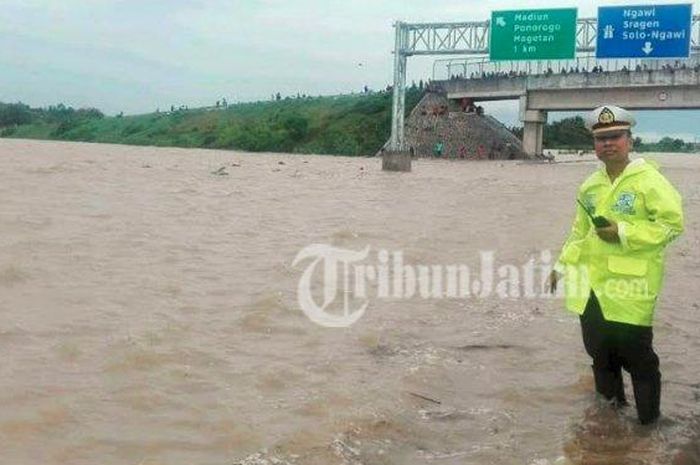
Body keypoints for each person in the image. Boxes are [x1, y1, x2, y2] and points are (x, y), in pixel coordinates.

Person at [546, 105, 684, 425]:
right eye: (601, 138)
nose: (608, 143)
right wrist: (560, 266)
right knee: (600, 356)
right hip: (591, 288)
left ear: (630, 141)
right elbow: (579, 233)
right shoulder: (589, 186)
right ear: (594, 144)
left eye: (615, 137)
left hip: (630, 289)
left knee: (639, 360)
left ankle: (649, 427)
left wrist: (622, 232)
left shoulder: (650, 180)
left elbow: (671, 225)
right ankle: (608, 427)